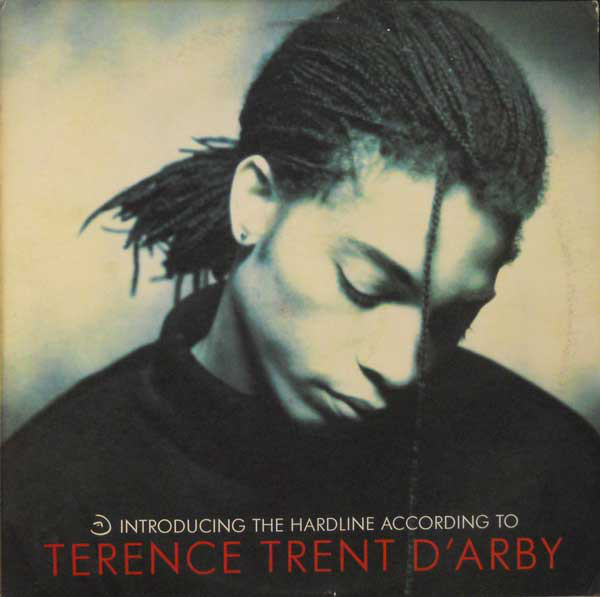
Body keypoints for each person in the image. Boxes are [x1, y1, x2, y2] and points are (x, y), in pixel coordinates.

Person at [3, 1, 599, 596]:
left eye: (452, 319)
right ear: (257, 201)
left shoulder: (559, 478)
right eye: (364, 286)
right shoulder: (42, 504)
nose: (399, 367)